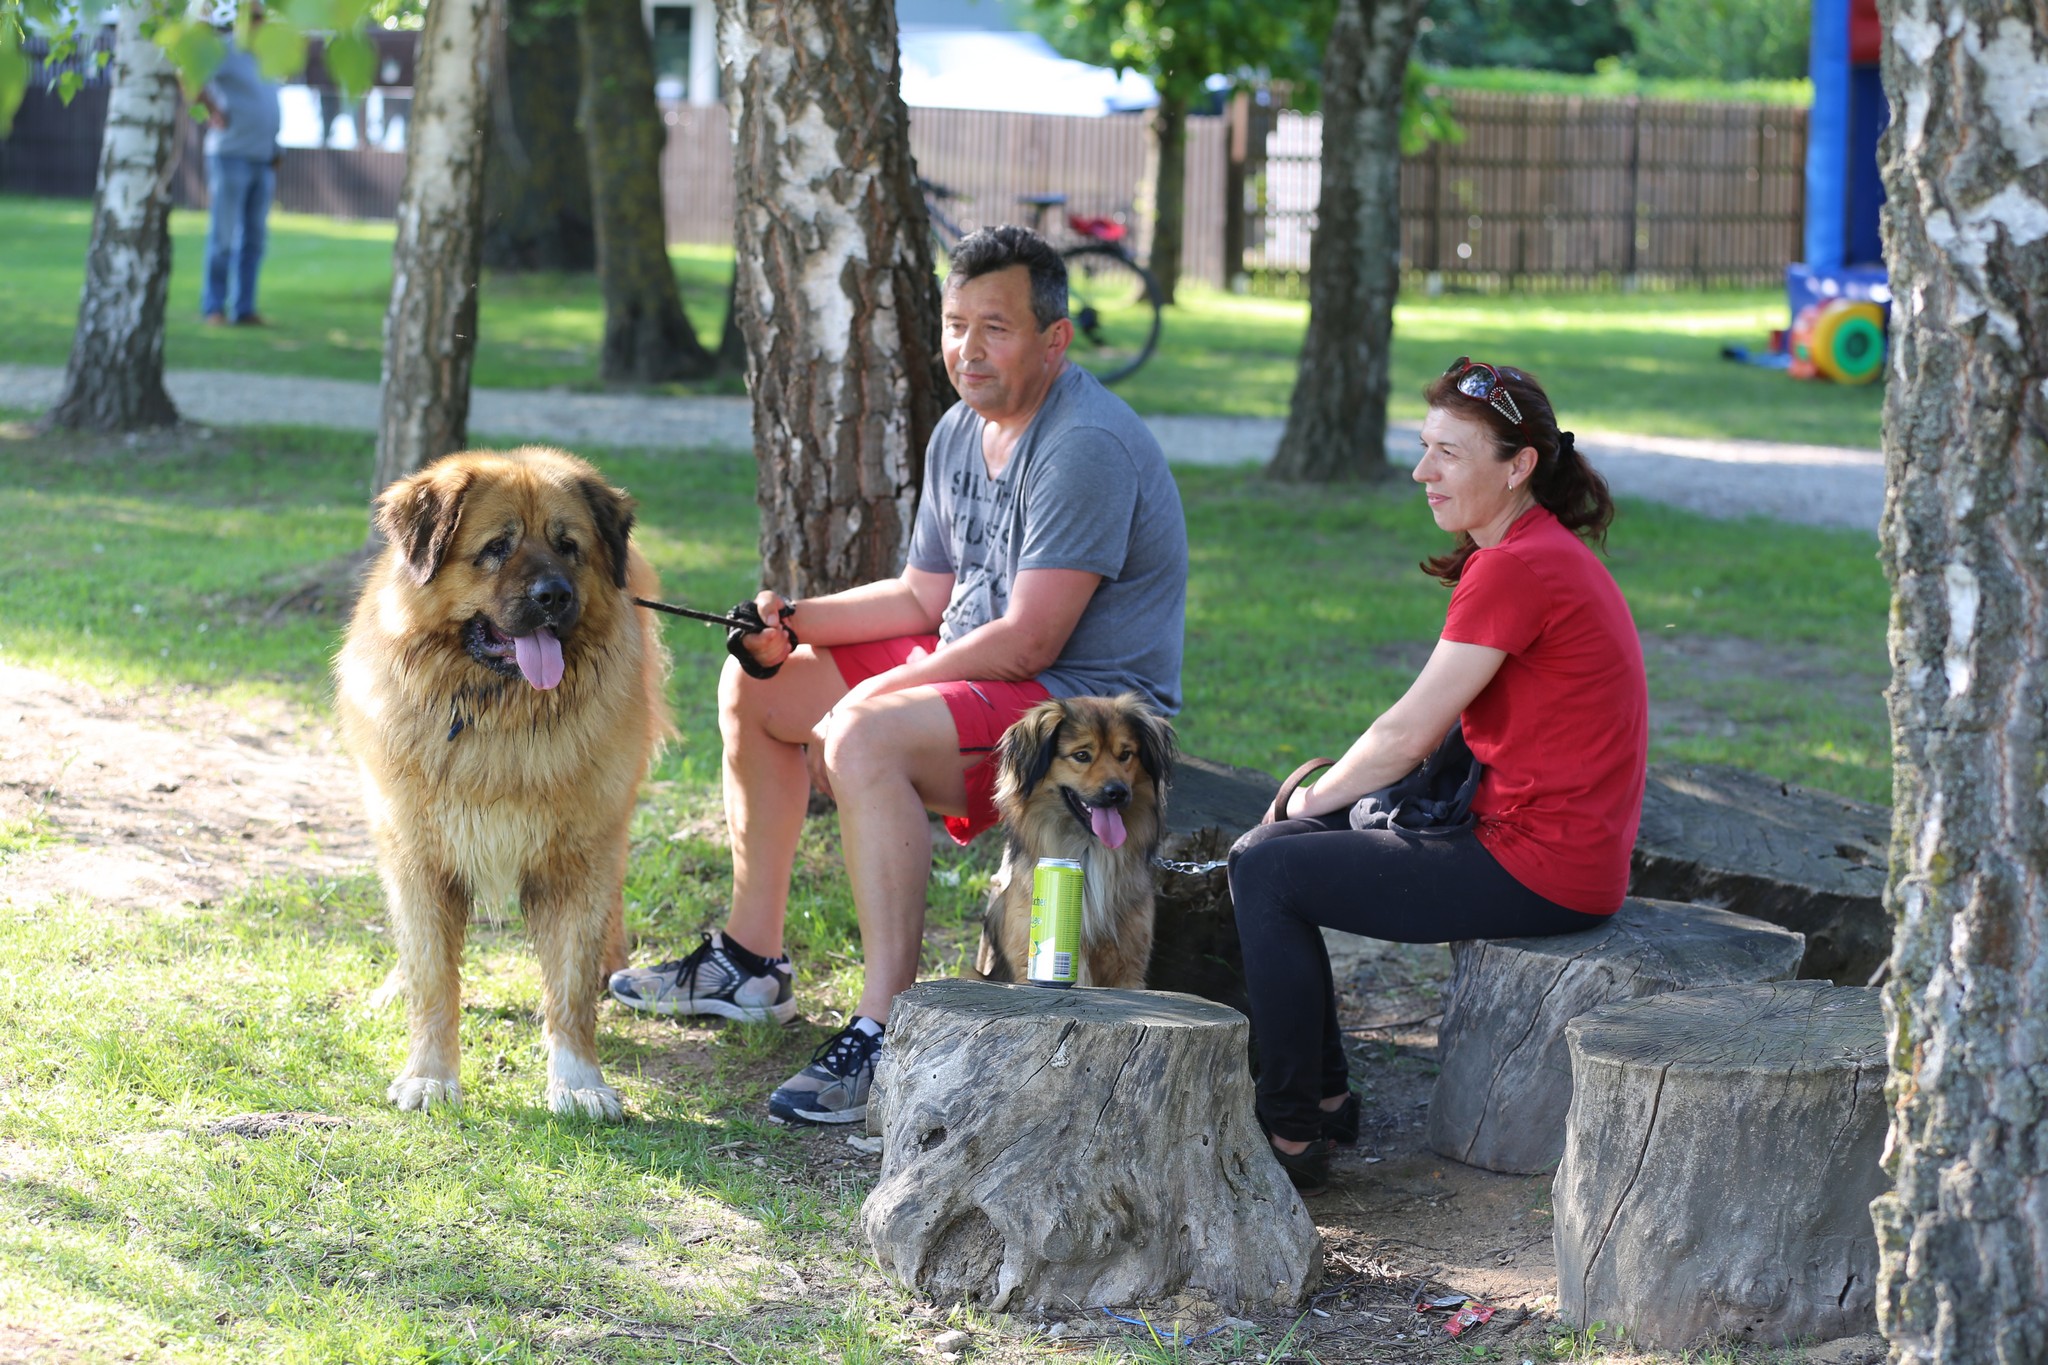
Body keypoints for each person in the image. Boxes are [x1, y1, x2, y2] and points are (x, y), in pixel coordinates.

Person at [609, 226, 1189, 1126]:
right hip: (983, 668)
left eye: (995, 327)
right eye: (956, 324)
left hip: (1075, 711)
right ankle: (752, 962)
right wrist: (792, 620)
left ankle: (887, 1029)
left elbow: (1031, 642)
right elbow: (926, 595)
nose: (967, 348)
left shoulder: (1085, 445)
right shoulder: (961, 429)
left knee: (863, 733)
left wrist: (871, 695)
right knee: (759, 688)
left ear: (1056, 338)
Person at [1228, 359, 1647, 1194]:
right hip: (1543, 842)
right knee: (1282, 850)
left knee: (1264, 865)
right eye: (1424, 449)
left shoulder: (1516, 565)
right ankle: (1324, 1096)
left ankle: (1289, 1129)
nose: (1423, 472)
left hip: (1540, 863)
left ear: (1518, 464)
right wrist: (1314, 809)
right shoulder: (1530, 550)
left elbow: (1405, 735)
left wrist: (1306, 798)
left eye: (1448, 454)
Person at [193, 3, 282, 327]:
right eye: (253, 17)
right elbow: (190, 78)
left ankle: (244, 308)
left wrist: (275, 146)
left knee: (255, 240)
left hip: (263, 158)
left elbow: (269, 105)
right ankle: (214, 308)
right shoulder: (226, 51)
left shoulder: (267, 58)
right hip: (231, 156)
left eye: (261, 17)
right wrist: (212, 110)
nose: (259, 23)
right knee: (224, 237)